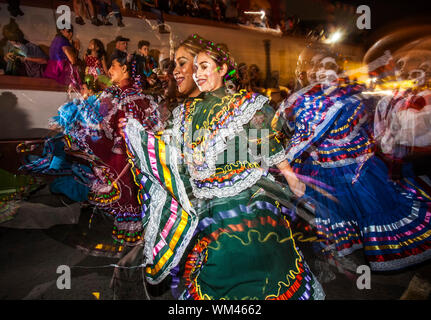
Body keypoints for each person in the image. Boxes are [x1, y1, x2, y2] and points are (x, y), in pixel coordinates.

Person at [123, 34, 324, 300]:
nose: (197, 74)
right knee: (219, 270)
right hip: (208, 205)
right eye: (194, 69)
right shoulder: (184, 113)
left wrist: (291, 177)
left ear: (223, 69)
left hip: (246, 202)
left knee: (253, 266)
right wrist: (140, 139)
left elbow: (267, 143)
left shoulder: (245, 103)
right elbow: (168, 151)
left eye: (204, 66)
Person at [278, 45, 431, 272]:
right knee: (333, 212)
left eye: (328, 65)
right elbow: (291, 132)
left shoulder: (353, 94)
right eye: (317, 66)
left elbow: (376, 123)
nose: (322, 71)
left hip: (359, 168)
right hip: (323, 168)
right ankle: (339, 253)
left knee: (372, 207)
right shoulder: (300, 100)